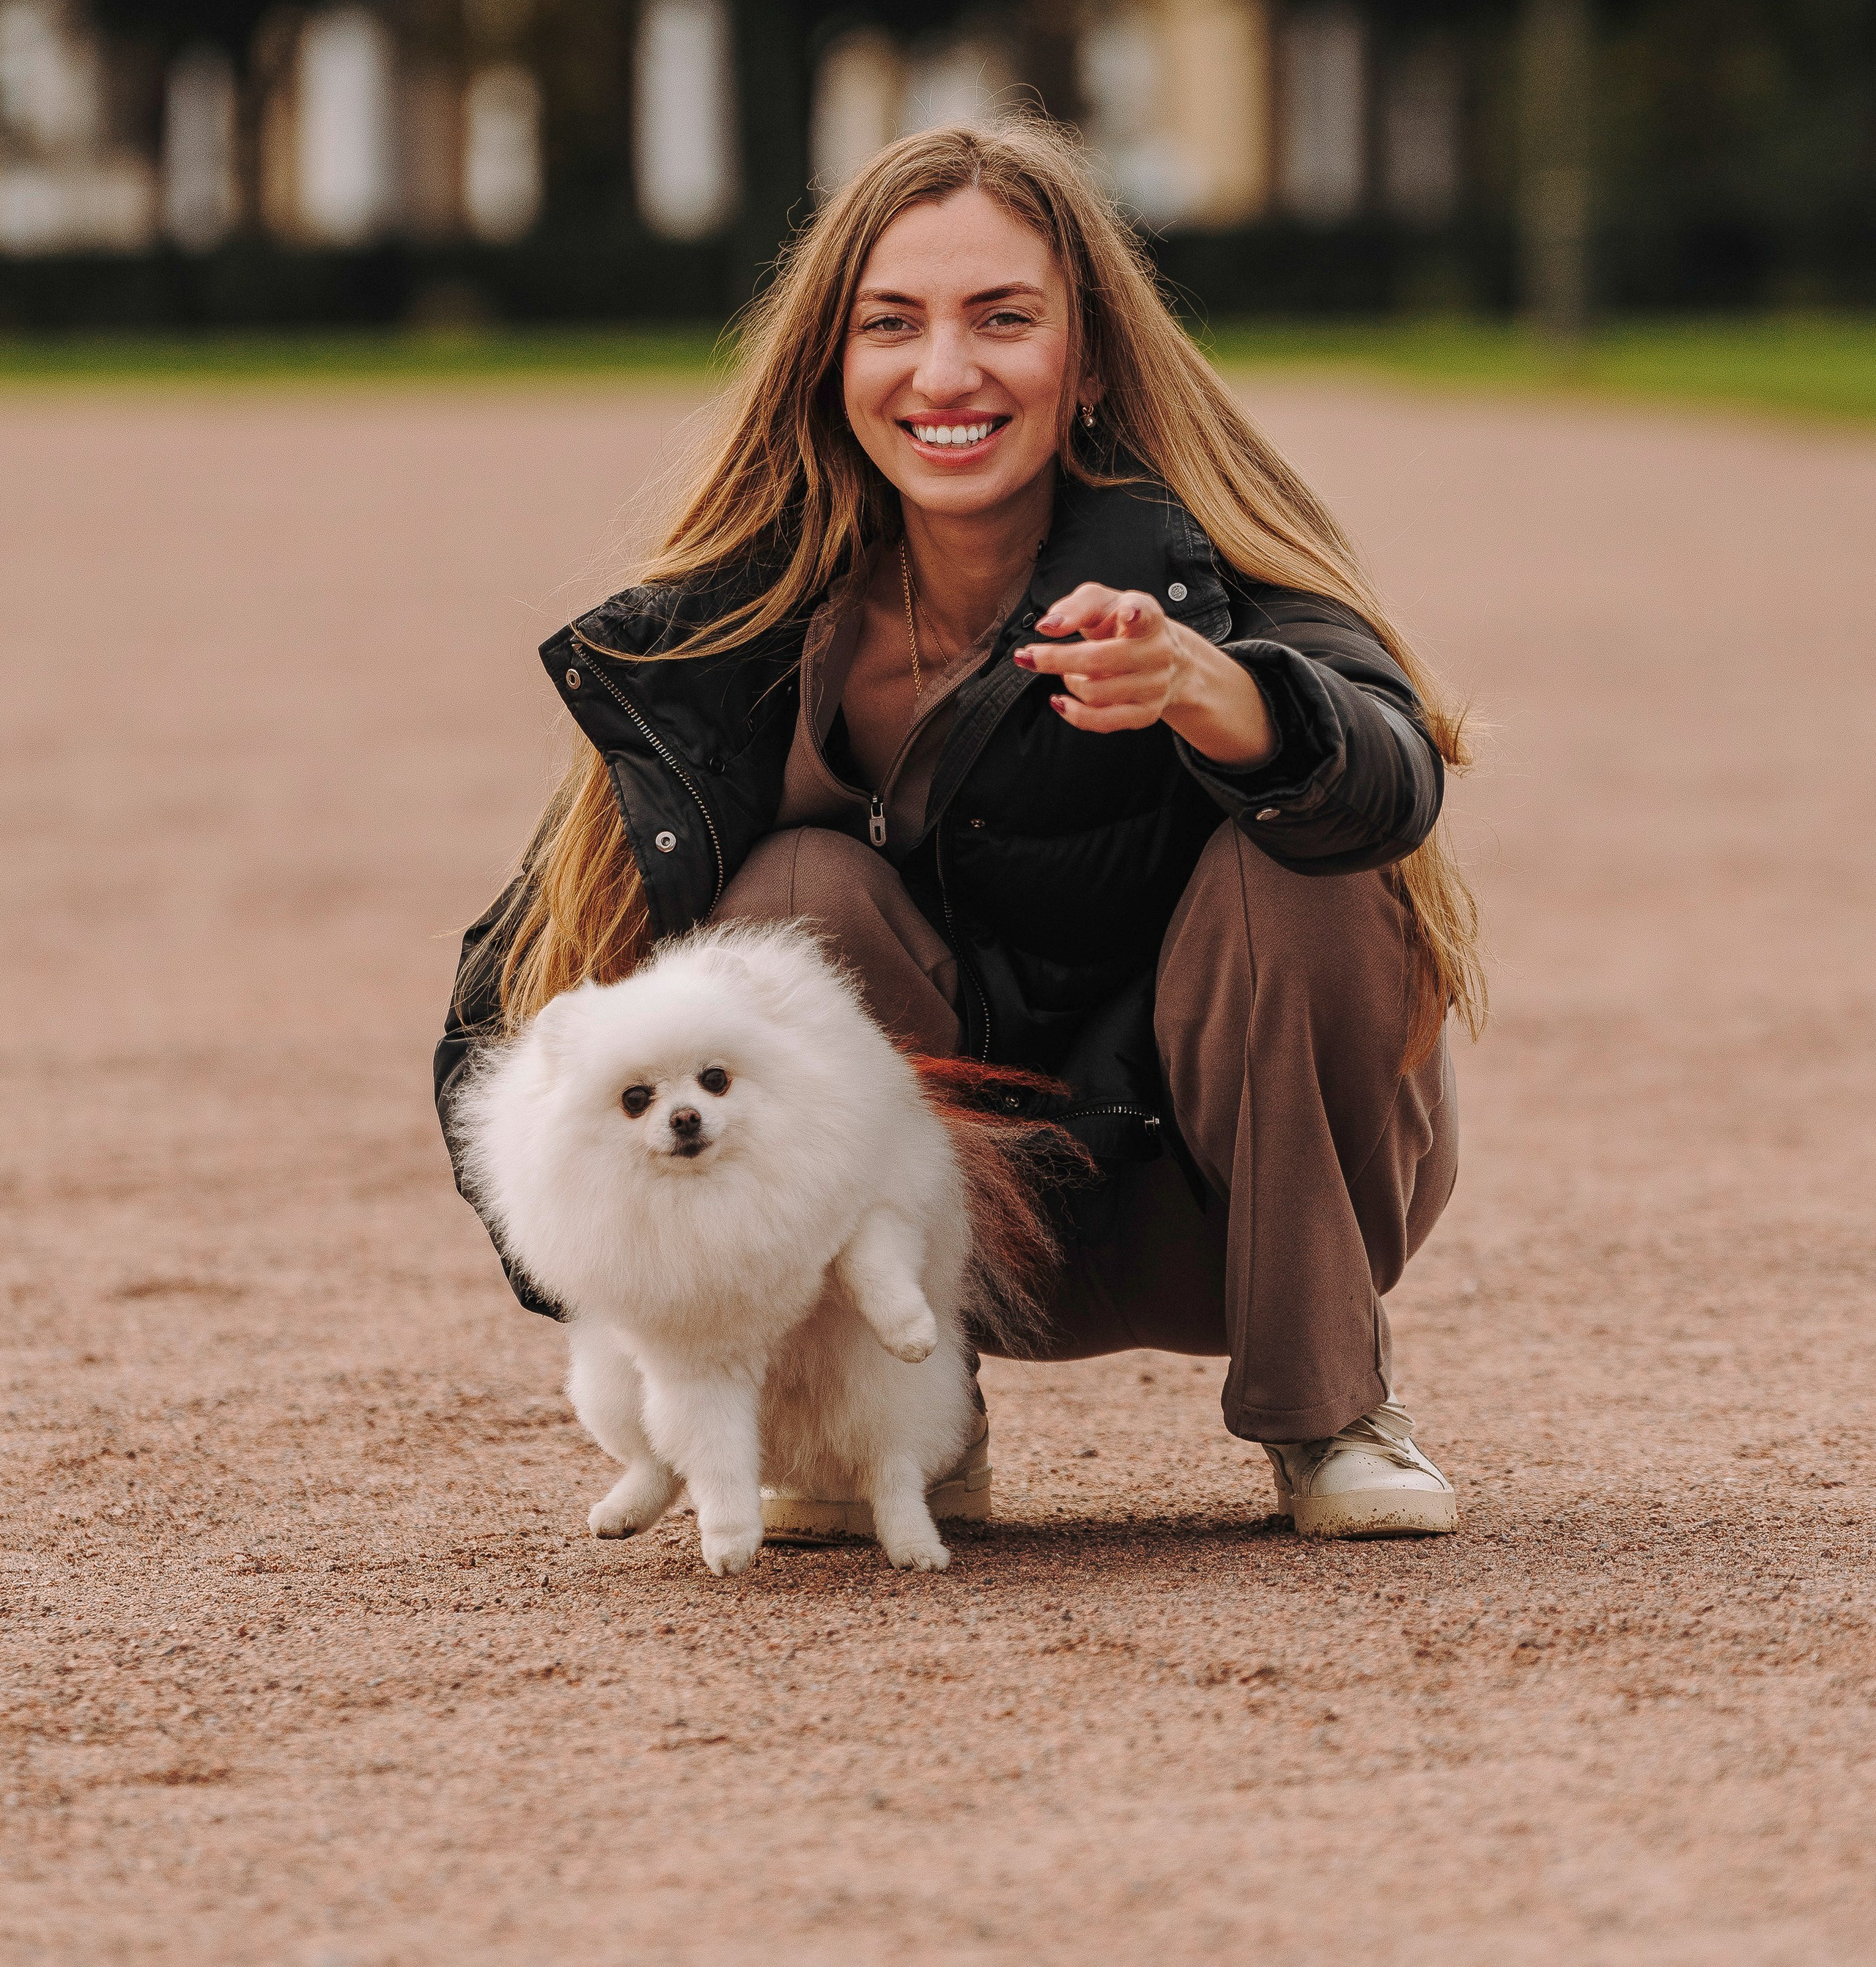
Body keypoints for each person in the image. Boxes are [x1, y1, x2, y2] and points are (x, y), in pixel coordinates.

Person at [435, 118, 1484, 1540]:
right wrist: (618, 1271)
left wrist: (1220, 695)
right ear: (831, 361)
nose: (943, 372)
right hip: (926, 1241)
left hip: (1235, 1207)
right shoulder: (741, 629)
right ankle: (906, 1429)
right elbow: (526, 993)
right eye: (890, 323)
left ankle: (1329, 1412)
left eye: (1003, 318)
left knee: (1296, 857)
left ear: (1090, 357)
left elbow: (1387, 776)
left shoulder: (1202, 577)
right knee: (791, 894)